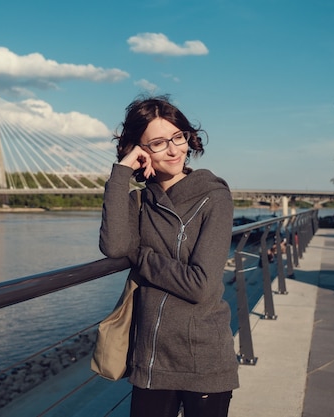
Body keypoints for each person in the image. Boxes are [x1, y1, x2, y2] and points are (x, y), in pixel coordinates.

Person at [98, 95, 239, 417]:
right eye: (159, 143)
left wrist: (140, 255)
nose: (175, 150)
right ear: (139, 150)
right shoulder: (139, 202)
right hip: (150, 358)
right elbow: (114, 247)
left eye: (178, 137)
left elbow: (200, 285)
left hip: (204, 358)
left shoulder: (214, 197)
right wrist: (120, 172)